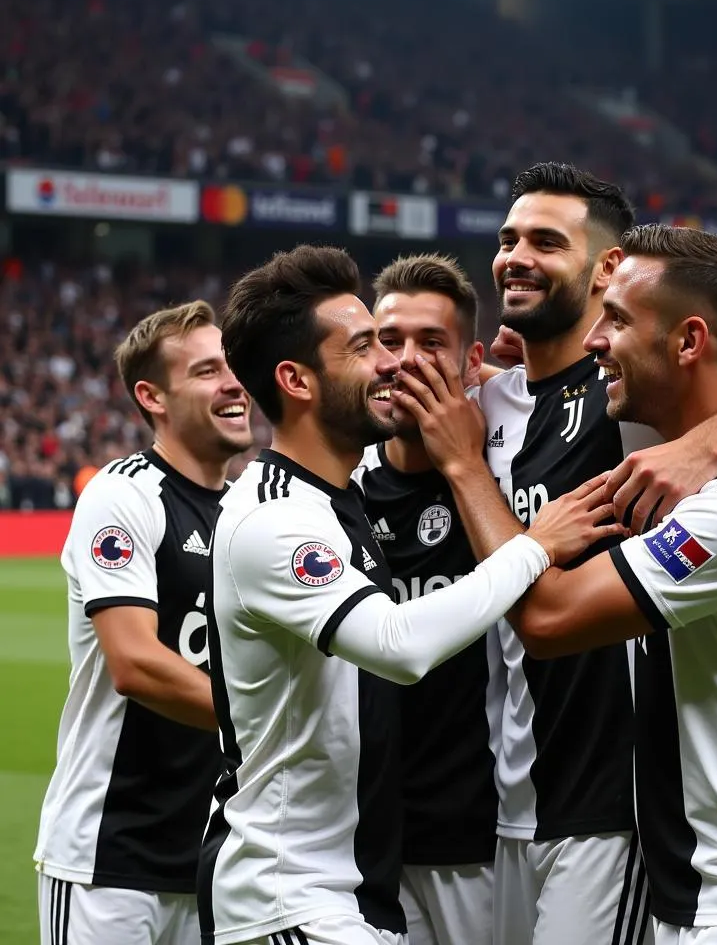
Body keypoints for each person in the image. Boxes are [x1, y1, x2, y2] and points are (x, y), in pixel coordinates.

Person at [394, 164, 717, 945]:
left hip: (631, 825)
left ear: (605, 271)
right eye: (508, 238)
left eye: (548, 242)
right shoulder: (498, 399)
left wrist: (697, 449)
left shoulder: (638, 405)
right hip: (510, 804)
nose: (517, 256)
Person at [200, 244, 619, 945]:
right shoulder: (276, 518)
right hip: (289, 897)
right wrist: (536, 546)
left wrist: (508, 378)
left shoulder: (337, 498)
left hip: (350, 892)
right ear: (297, 381)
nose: (392, 365)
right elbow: (397, 644)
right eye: (367, 346)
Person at [35, 301, 253, 945]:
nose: (235, 382)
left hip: (211, 856)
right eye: (208, 371)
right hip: (110, 857)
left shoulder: (249, 511)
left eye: (234, 366)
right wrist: (271, 718)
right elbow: (135, 663)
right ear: (152, 397)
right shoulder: (123, 493)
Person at [350, 253, 500, 945]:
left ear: (472, 363)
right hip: (361, 845)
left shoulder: (506, 468)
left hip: (484, 841)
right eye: (388, 339)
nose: (404, 360)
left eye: (431, 343)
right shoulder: (338, 490)